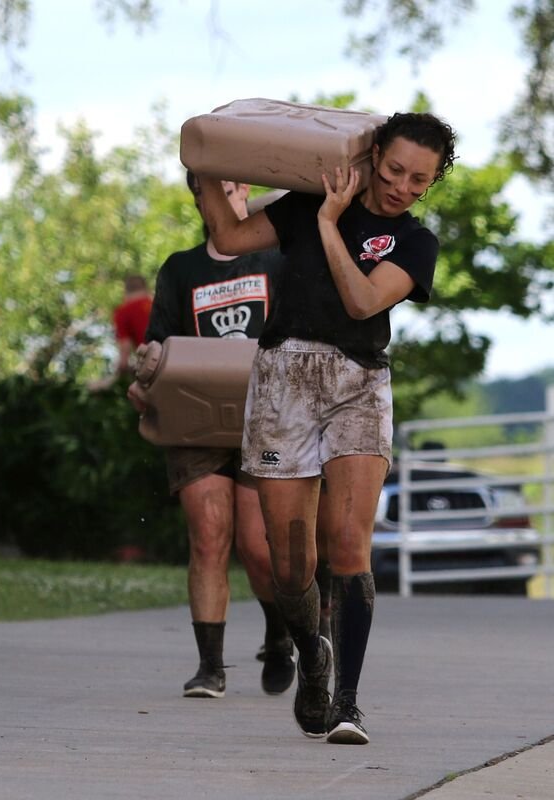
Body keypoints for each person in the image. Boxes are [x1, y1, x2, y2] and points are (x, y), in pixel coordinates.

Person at [199, 111, 457, 744]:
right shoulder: (305, 200)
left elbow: (363, 301)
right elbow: (229, 236)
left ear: (430, 184)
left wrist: (328, 226)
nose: (402, 186)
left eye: (419, 180)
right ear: (373, 157)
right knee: (292, 565)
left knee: (348, 543)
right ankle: (311, 656)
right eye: (394, 169)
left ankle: (347, 700)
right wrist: (203, 171)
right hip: (283, 378)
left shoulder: (415, 242)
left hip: (358, 386)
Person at [128, 171, 295, 699]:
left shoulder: (278, 259)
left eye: (232, 186)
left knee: (258, 546)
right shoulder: (180, 269)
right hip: (197, 420)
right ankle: (210, 666)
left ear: (246, 191)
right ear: (197, 198)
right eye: (209, 189)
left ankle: (278, 630)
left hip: (266, 417)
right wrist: (146, 372)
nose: (222, 196)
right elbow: (159, 343)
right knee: (208, 537)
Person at [113, 274, 153, 377]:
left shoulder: (123, 312)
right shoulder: (158, 303)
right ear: (146, 288)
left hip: (152, 364)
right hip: (176, 357)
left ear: (125, 291)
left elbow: (125, 349)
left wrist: (119, 373)